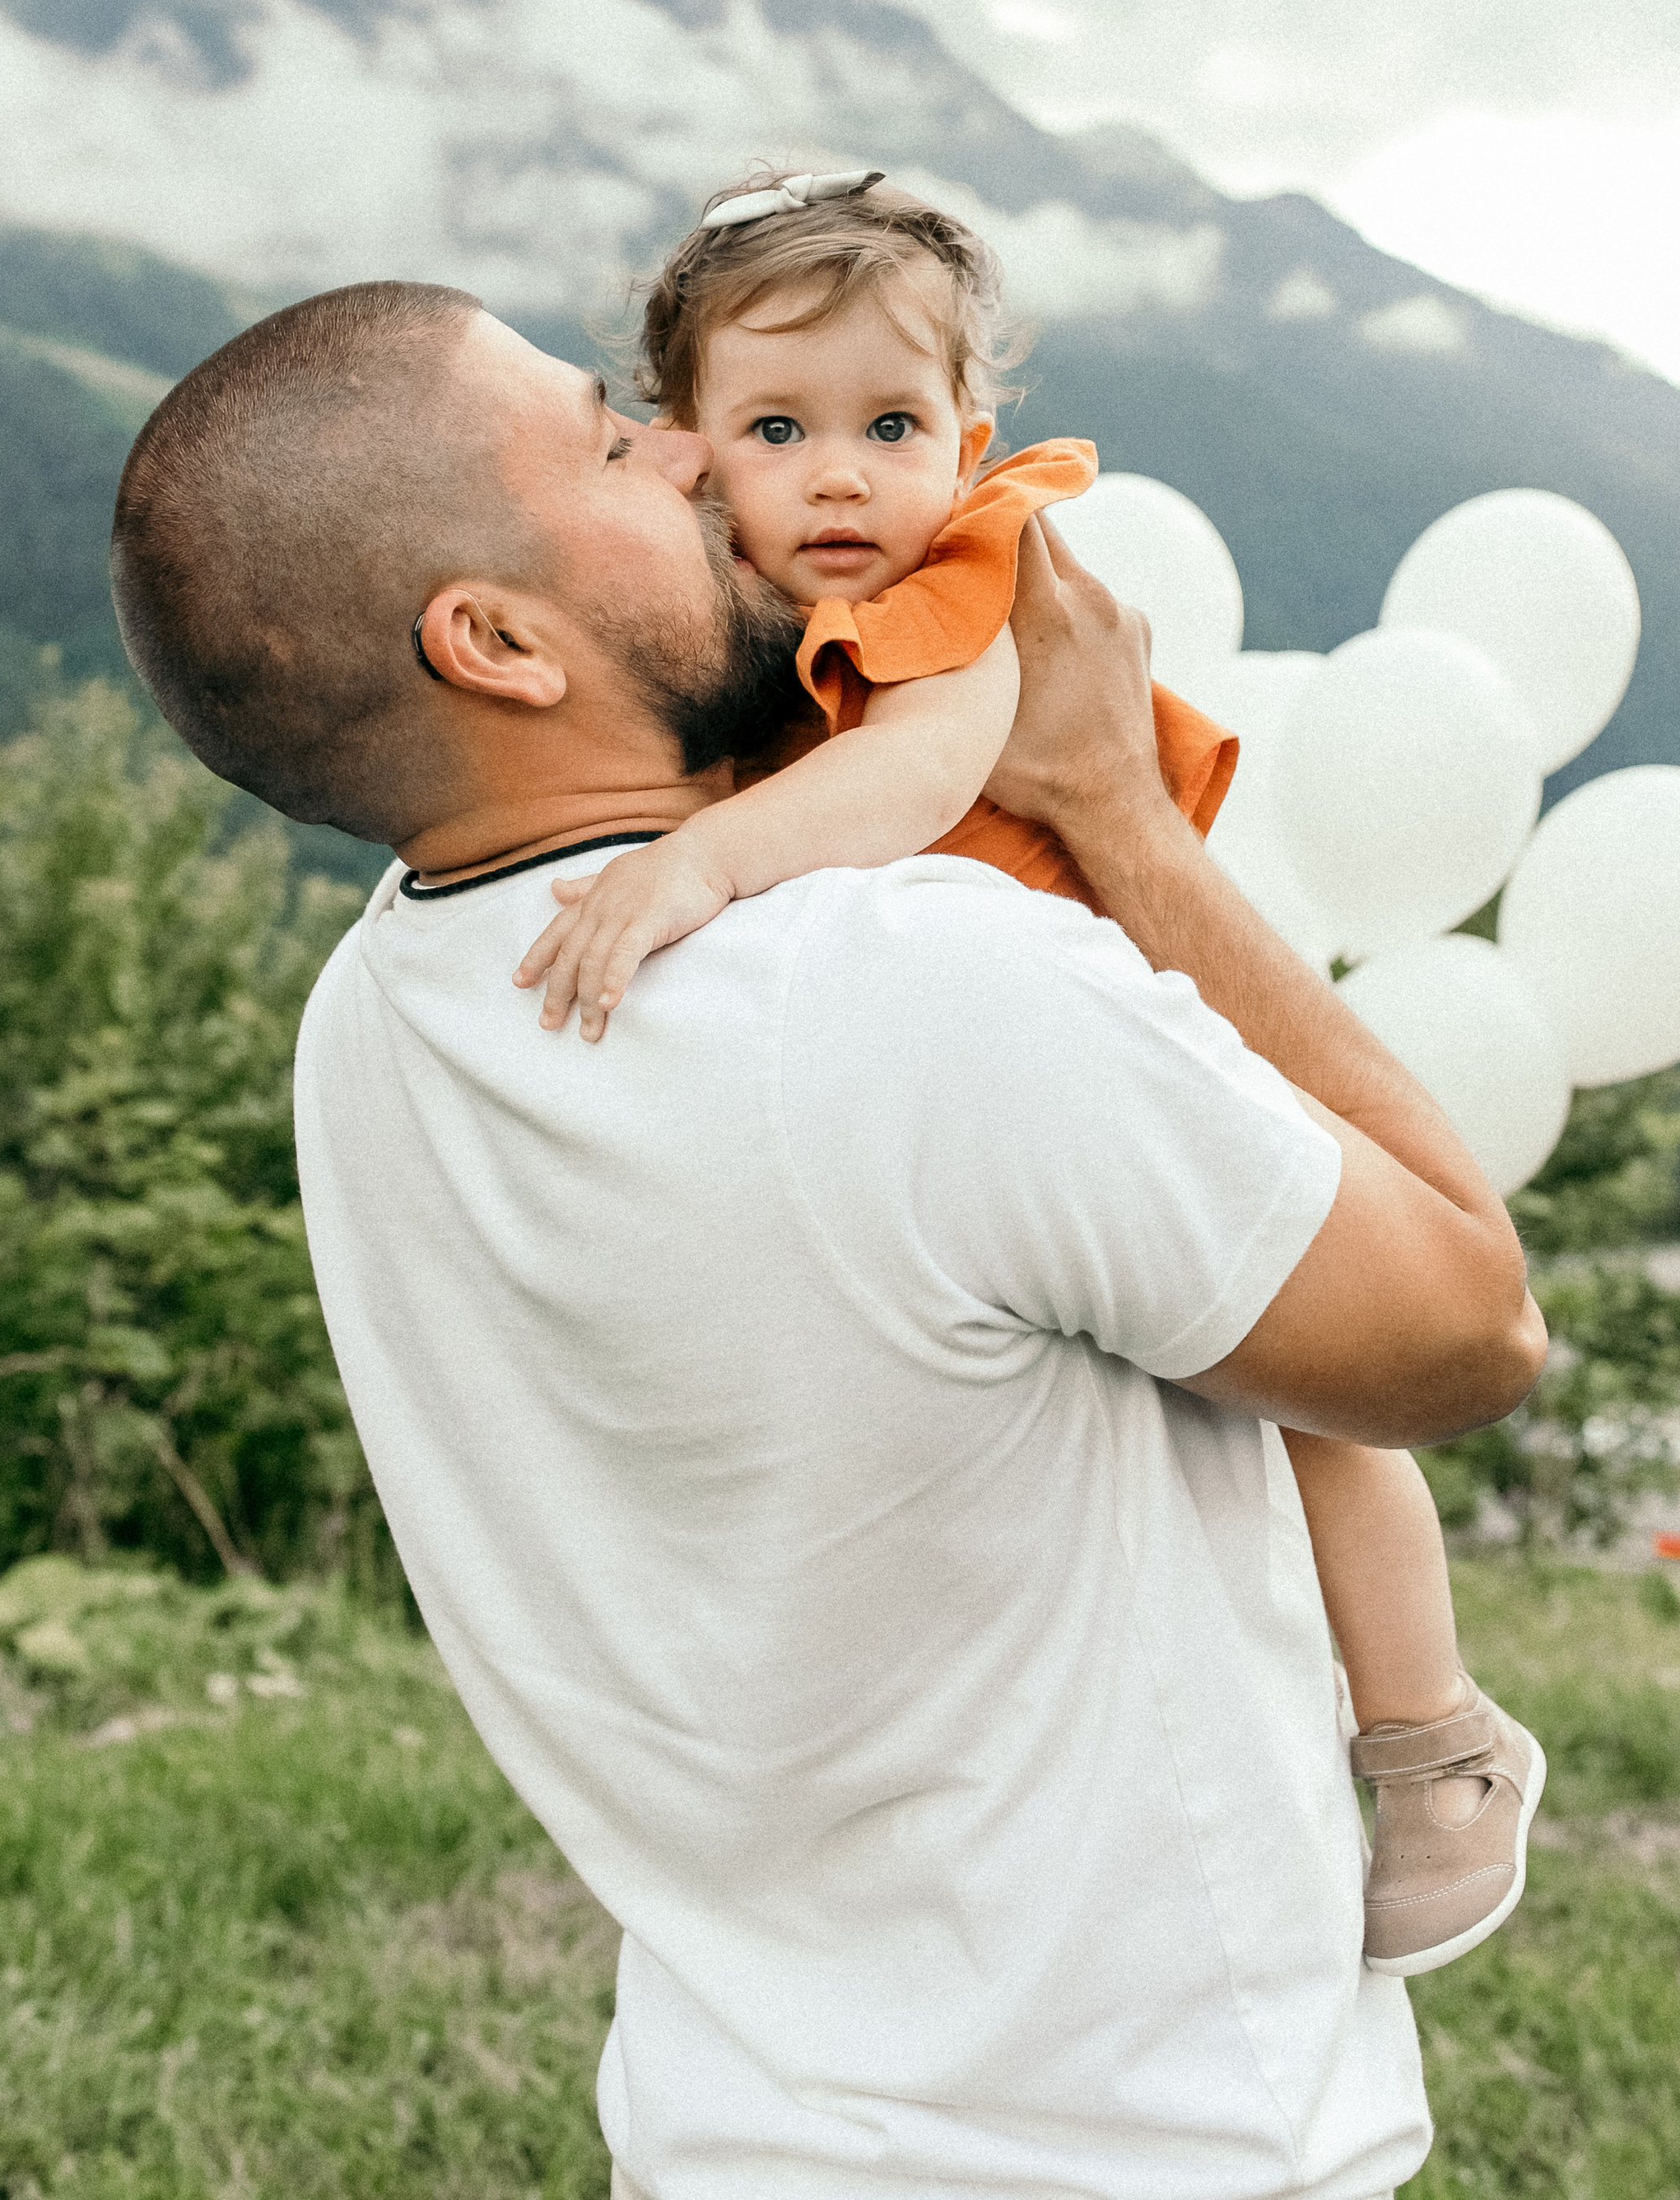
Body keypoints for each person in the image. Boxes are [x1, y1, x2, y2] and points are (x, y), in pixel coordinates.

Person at [109, 277, 1546, 2200]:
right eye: (621, 447)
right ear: (498, 642)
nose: (700, 449)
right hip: (1150, 2148)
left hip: (725, 2133)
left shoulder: (370, 1018)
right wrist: (1120, 816)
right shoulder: (916, 987)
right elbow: (1463, 1336)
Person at [517, 169, 1547, 1984]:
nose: (841, 476)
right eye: (777, 428)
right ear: (685, 454)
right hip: (977, 1102)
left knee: (1311, 1401)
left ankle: (1433, 1734)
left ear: (968, 438)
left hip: (1126, 1005)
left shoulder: (965, 584)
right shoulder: (737, 619)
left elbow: (910, 785)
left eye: (891, 425)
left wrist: (691, 864)